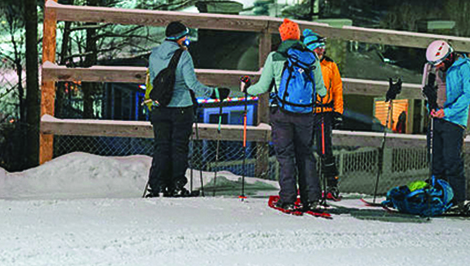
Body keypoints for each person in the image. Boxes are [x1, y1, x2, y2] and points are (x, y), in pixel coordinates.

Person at [241, 19, 327, 210]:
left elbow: (262, 87)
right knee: (305, 154)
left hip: (282, 113)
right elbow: (322, 91)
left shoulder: (275, 56)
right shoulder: (311, 57)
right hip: (306, 114)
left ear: (282, 36)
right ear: (297, 35)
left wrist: (247, 89)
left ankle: (288, 199)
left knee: (285, 155)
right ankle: (312, 199)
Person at [146, 21, 229, 197]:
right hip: (181, 108)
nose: (186, 38)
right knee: (179, 148)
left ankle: (157, 186)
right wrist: (214, 93)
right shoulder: (184, 56)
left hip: (160, 108)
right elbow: (192, 84)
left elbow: (153, 81)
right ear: (178, 37)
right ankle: (176, 185)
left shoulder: (153, 55)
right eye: (184, 35)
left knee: (161, 147)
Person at [421, 39, 470, 207]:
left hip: (454, 120)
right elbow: (427, 89)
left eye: (439, 64)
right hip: (436, 118)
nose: (437, 68)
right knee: (436, 160)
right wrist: (429, 104)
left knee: (452, 159)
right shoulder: (431, 68)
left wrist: (448, 111)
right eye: (434, 64)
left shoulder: (464, 67)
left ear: (448, 57)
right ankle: (439, 195)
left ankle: (457, 199)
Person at [301, 29, 344, 200]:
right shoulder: (302, 64)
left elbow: (337, 89)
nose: (322, 50)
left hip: (324, 113)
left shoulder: (330, 65)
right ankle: (306, 184)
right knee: (303, 149)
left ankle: (332, 185)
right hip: (306, 113)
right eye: (318, 47)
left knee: (325, 150)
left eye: (323, 47)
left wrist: (338, 112)